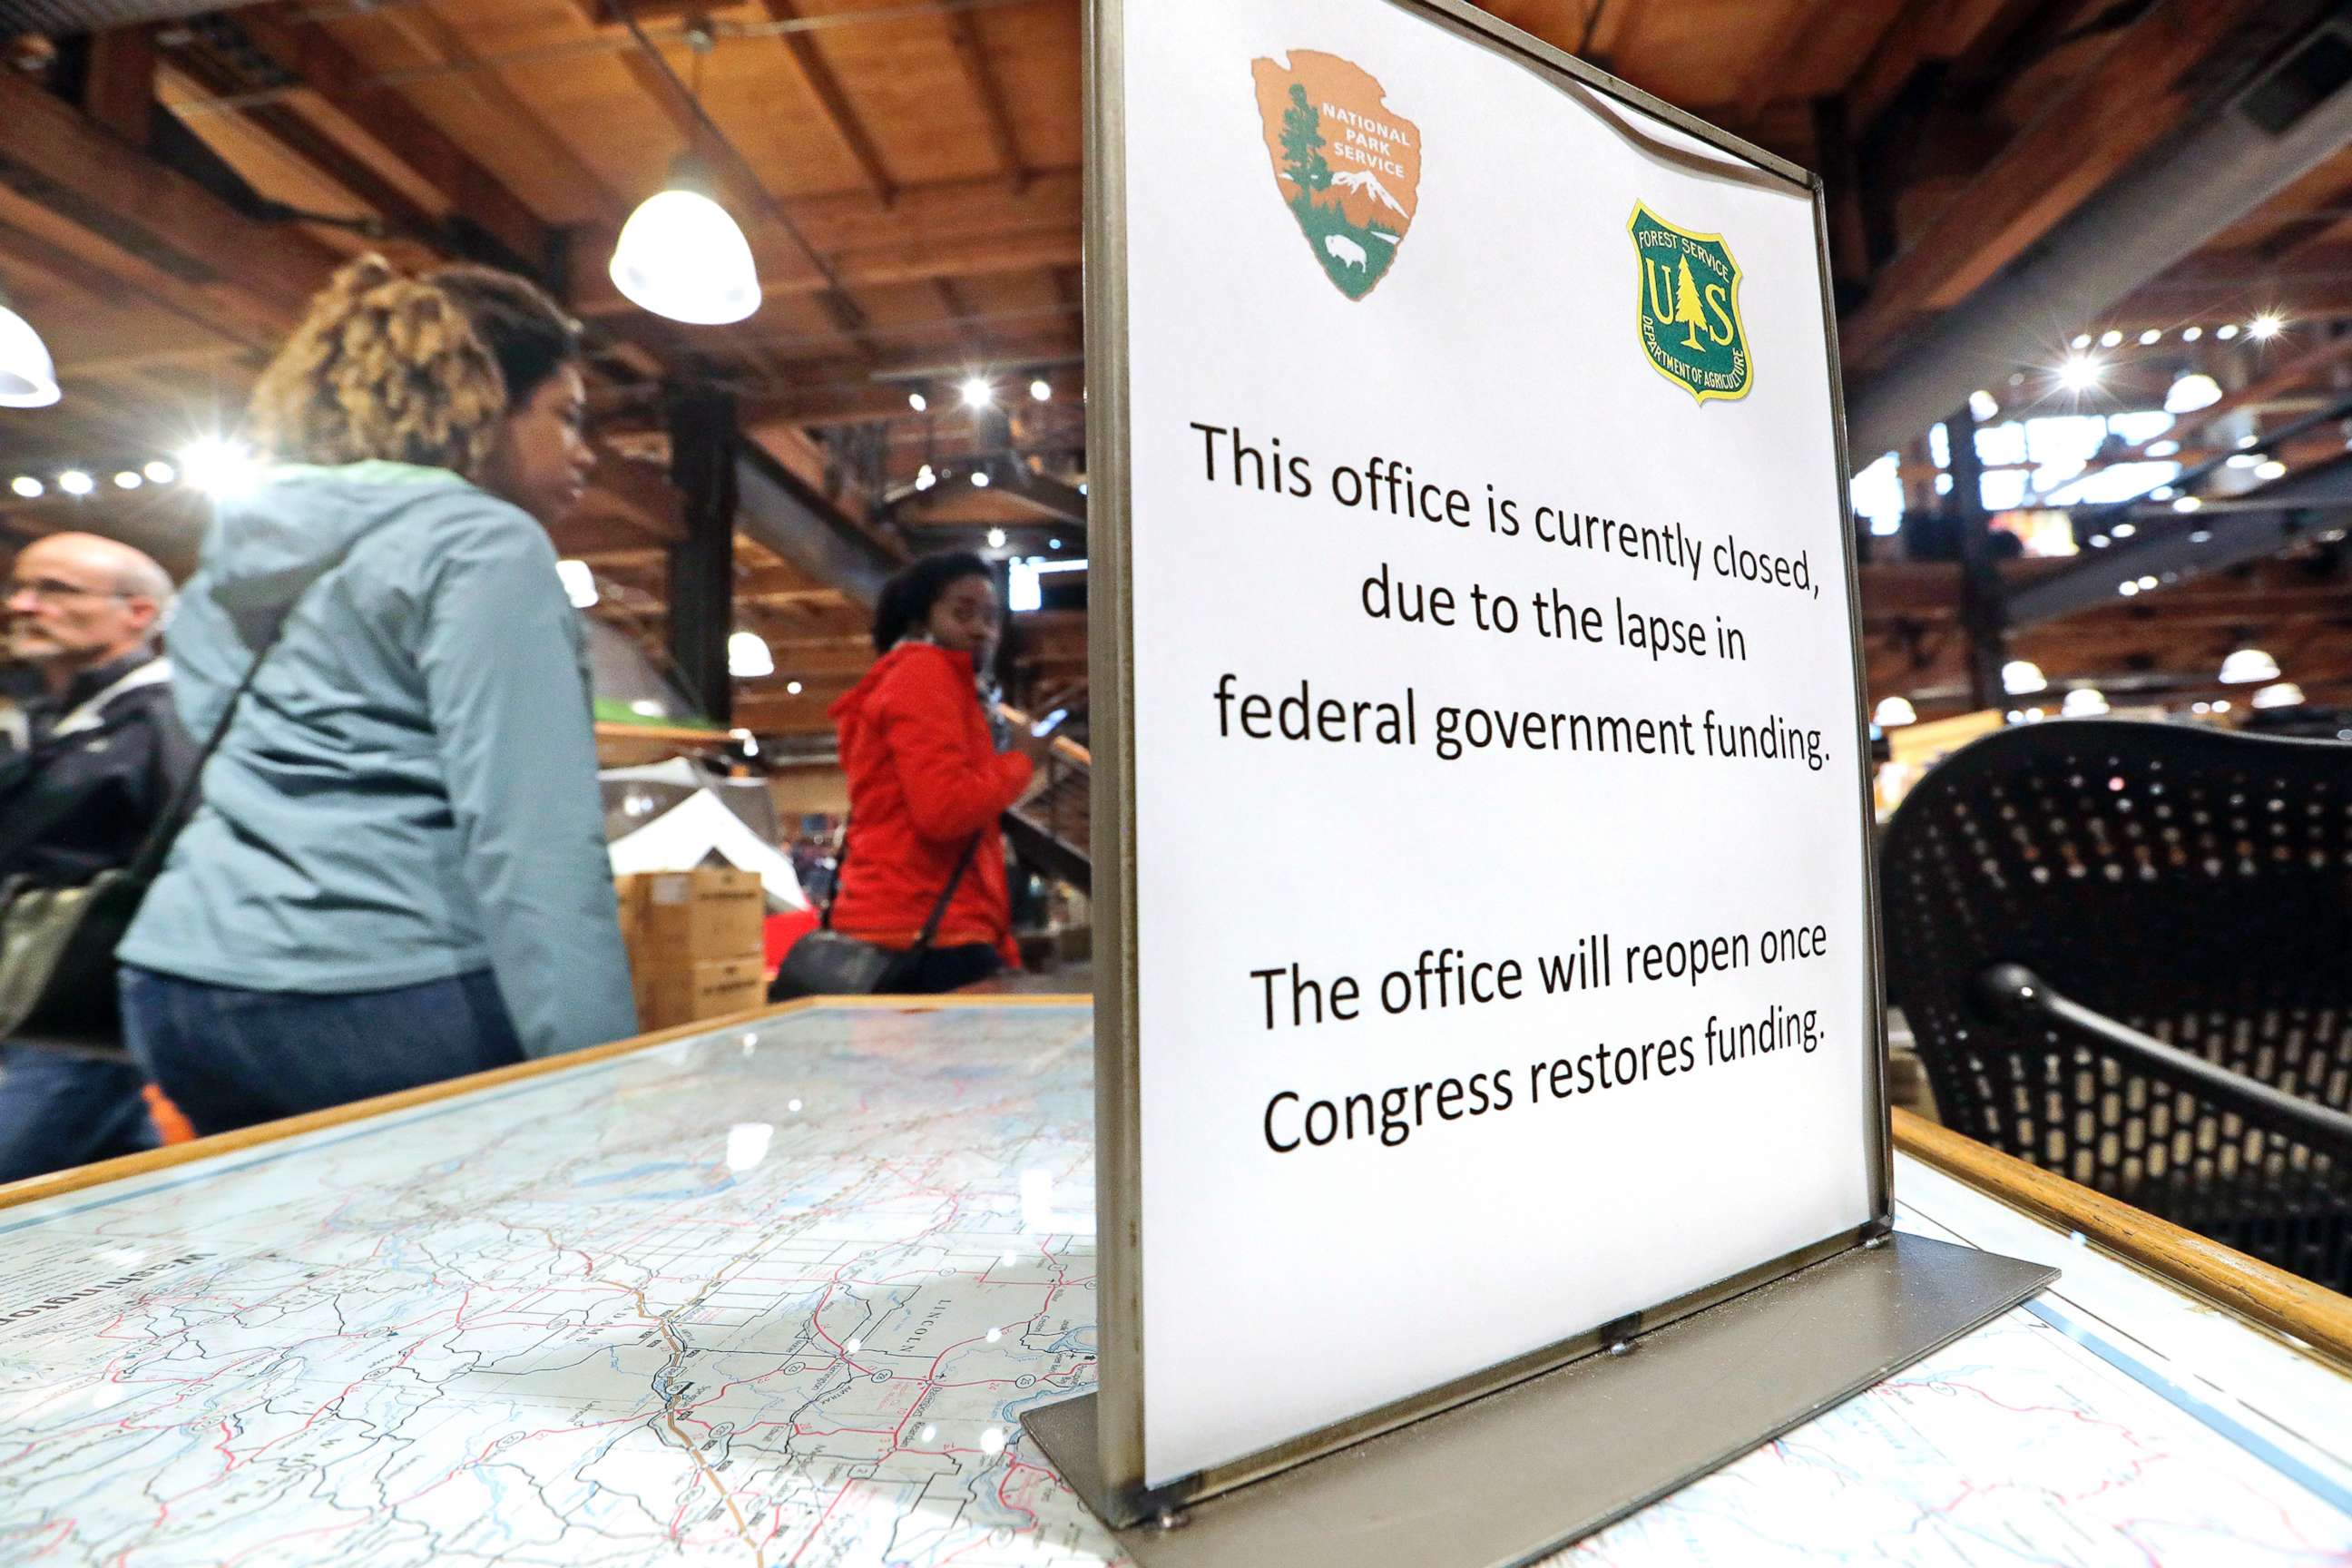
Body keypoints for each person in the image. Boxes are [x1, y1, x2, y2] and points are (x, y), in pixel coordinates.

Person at [117, 255, 637, 1134]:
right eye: (567, 416)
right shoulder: (481, 543)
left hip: (185, 987)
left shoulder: (234, 554)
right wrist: (605, 1081)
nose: (586, 452)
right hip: (384, 991)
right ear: (482, 404)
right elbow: (531, 838)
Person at [0, 533, 191, 1180]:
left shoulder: (166, 718)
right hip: (32, 1007)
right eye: (21, 587)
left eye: (55, 589)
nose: (24, 604)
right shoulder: (53, 717)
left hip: (82, 1022)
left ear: (137, 612)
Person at [823, 552, 1051, 992]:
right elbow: (945, 811)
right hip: (930, 933)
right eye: (962, 613)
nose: (982, 629)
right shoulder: (926, 674)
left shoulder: (903, 679)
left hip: (900, 923)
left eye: (991, 617)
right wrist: (1024, 760)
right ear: (916, 621)